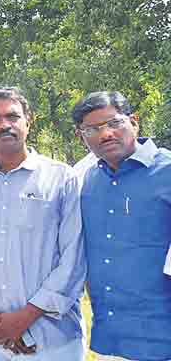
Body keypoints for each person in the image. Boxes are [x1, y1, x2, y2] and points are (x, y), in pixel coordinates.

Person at [0, 88, 85, 361]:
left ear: (28, 121)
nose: (4, 125)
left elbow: (74, 258)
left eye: (12, 116)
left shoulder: (61, 179)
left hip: (52, 340)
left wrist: (23, 319)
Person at [73, 91, 171, 361]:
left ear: (134, 121)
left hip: (162, 336)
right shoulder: (85, 180)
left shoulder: (167, 172)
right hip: (111, 338)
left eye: (114, 123)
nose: (105, 135)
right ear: (81, 137)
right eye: (93, 129)